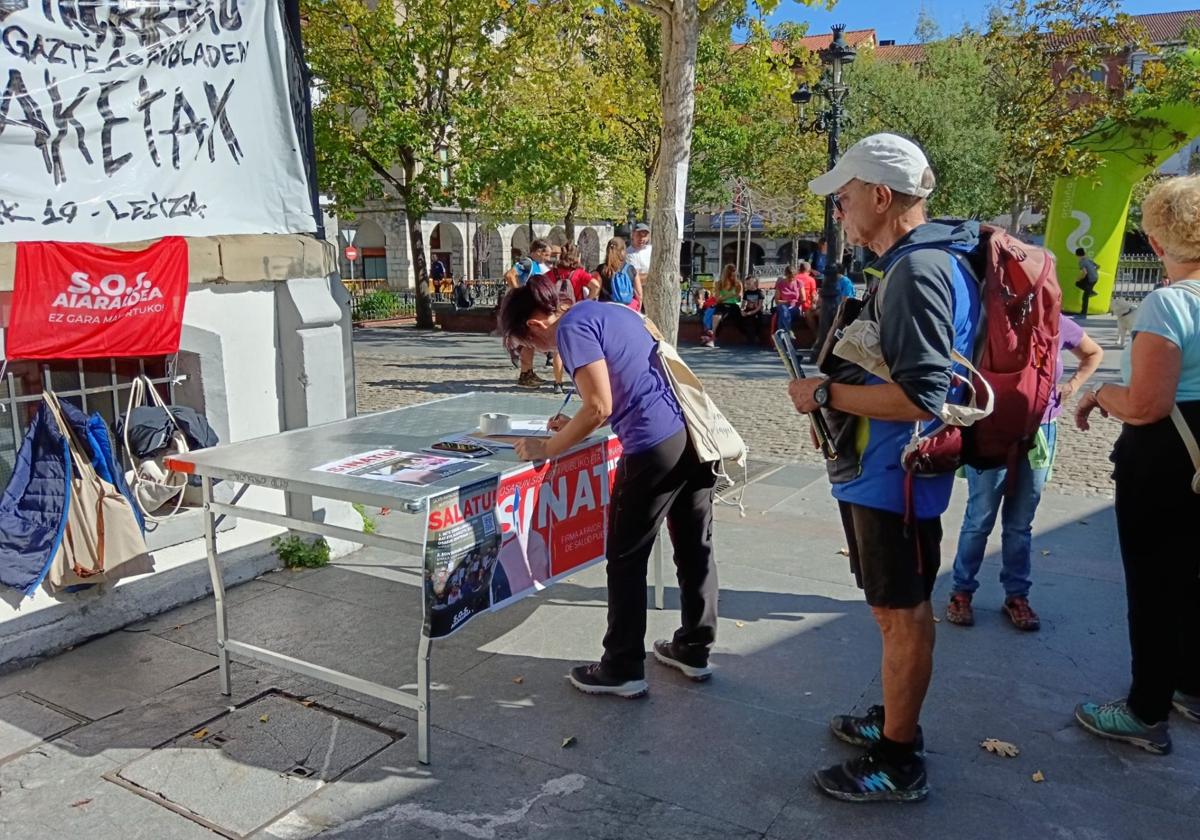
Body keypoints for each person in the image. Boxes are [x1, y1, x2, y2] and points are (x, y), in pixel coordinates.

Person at [788, 133, 981, 803]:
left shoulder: (919, 270)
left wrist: (823, 394)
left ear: (879, 195)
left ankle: (899, 759)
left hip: (893, 473)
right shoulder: (922, 260)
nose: (839, 212)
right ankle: (896, 720)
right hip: (890, 472)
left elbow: (921, 396)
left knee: (901, 614)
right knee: (897, 608)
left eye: (843, 199)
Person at [496, 276, 718, 697]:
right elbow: (622, 381)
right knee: (693, 547)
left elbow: (599, 407)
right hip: (692, 436)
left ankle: (622, 665)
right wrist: (573, 425)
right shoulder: (604, 310)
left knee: (626, 555)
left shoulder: (571, 330)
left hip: (654, 445)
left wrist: (548, 446)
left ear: (536, 326)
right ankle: (693, 647)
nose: (537, 351)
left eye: (526, 342)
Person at [1073, 175, 1200, 755]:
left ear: (1158, 240)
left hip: (1167, 462)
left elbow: (1147, 404)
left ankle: (1146, 709)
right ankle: (1190, 685)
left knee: (1155, 584)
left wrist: (1101, 395)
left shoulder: (1169, 303)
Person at [946, 316, 1104, 630]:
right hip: (991, 427)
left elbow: (1093, 352)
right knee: (980, 517)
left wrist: (1071, 386)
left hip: (1040, 429)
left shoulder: (1056, 322)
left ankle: (1016, 596)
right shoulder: (988, 318)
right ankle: (961, 592)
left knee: (1020, 523)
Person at [544, 243, 593, 394]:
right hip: (575, 314)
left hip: (556, 314)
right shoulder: (580, 274)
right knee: (577, 350)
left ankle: (558, 384)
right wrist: (587, 302)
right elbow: (596, 285)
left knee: (557, 351)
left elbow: (542, 290)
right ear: (576, 256)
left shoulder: (552, 274)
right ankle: (579, 382)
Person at [505, 239, 553, 388]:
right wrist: (519, 292)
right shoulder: (527, 263)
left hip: (533, 306)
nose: (548, 258)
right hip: (526, 307)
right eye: (546, 254)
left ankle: (528, 372)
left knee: (531, 342)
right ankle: (525, 375)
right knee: (528, 342)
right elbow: (509, 275)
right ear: (538, 251)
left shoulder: (538, 265)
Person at [595, 237, 641, 311]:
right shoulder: (631, 269)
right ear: (623, 251)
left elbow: (596, 292)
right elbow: (639, 295)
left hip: (606, 309)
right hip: (628, 309)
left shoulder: (601, 269)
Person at [709, 264, 743, 346]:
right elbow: (717, 299)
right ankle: (713, 337)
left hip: (734, 306)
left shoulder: (738, 284)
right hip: (722, 305)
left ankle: (712, 336)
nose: (731, 277)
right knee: (716, 317)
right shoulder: (719, 283)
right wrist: (731, 295)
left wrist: (724, 297)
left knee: (738, 320)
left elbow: (739, 298)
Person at [774, 265, 804, 337]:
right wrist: (787, 302)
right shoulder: (780, 284)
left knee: (782, 317)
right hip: (783, 305)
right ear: (786, 275)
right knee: (783, 309)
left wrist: (795, 303)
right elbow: (777, 301)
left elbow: (803, 299)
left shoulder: (799, 283)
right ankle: (789, 331)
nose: (791, 279)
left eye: (793, 277)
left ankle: (781, 340)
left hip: (795, 307)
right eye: (789, 277)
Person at [627, 222, 653, 296]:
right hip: (636, 292)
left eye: (645, 236)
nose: (641, 238)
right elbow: (636, 278)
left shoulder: (651, 250)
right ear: (633, 235)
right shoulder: (629, 253)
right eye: (639, 235)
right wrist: (653, 276)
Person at [740, 275, 766, 343]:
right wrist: (742, 310)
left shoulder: (759, 292)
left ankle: (756, 336)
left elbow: (759, 306)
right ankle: (747, 336)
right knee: (742, 319)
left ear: (754, 284)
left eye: (748, 284)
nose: (747, 285)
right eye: (746, 284)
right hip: (748, 310)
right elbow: (743, 304)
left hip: (756, 311)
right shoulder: (746, 292)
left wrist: (752, 312)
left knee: (756, 320)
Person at [1075, 247, 1099, 317]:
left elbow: (1084, 273)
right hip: (1095, 278)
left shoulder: (1081, 262)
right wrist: (1093, 271)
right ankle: (1091, 291)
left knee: (1084, 297)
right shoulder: (1088, 259)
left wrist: (1078, 278)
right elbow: (1097, 266)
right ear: (1084, 253)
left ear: (1077, 255)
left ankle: (1083, 314)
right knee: (1083, 289)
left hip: (1090, 279)